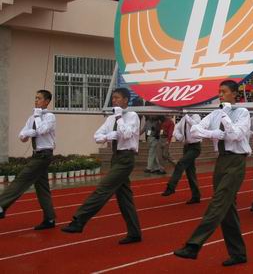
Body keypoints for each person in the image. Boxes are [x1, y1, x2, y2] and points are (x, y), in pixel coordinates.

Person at [174, 80, 251, 267]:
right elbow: (196, 130)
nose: (220, 95)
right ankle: (238, 253)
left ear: (234, 94)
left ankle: (193, 245)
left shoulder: (243, 112)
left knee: (218, 203)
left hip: (236, 161)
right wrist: (217, 133)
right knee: (227, 209)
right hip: (221, 161)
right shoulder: (215, 113)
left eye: (224, 92)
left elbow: (235, 135)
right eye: (219, 92)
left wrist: (222, 120)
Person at [62, 88, 142, 244]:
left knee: (103, 188)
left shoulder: (132, 116)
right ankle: (135, 233)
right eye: (113, 98)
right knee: (124, 199)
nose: (114, 101)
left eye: (117, 98)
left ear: (126, 100)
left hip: (126, 158)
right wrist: (107, 136)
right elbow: (97, 136)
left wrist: (119, 116)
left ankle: (79, 220)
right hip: (115, 157)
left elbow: (126, 134)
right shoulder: (110, 118)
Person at [0, 90, 56, 230]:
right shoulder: (32, 117)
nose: (36, 100)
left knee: (22, 179)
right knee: (42, 188)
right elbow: (22, 136)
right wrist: (27, 133)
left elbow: (43, 130)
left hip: (44, 154)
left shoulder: (50, 116)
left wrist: (37, 117)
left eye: (39, 98)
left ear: (47, 101)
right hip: (36, 154)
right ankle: (49, 219)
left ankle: (1, 204)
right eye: (35, 98)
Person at [161, 113, 202, 203]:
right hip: (186, 147)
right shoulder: (184, 118)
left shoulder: (196, 116)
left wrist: (187, 116)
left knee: (180, 163)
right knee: (190, 173)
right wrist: (180, 137)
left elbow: (196, 126)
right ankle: (196, 196)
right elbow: (176, 128)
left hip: (195, 147)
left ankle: (171, 187)